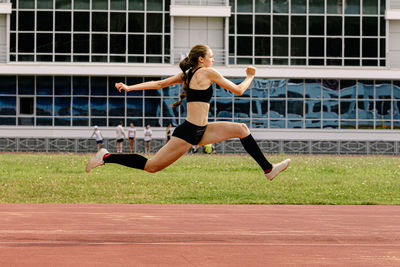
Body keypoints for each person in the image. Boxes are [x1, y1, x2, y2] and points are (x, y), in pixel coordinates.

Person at [86, 44, 290, 180]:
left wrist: (130, 87)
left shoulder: (188, 73)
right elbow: (238, 90)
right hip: (189, 132)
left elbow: (158, 84)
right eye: (211, 57)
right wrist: (250, 76)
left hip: (201, 129)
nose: (213, 60)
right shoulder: (207, 72)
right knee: (151, 166)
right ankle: (105, 156)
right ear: (201, 59)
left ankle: (268, 169)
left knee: (242, 129)